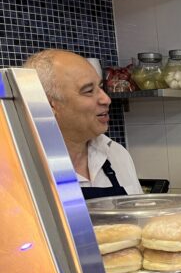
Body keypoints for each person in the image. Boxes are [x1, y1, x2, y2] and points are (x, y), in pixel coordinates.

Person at [23, 49, 142, 199]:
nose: (106, 99)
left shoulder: (116, 154)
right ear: (49, 104)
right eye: (88, 91)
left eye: (100, 87)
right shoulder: (20, 169)